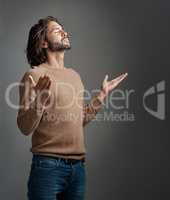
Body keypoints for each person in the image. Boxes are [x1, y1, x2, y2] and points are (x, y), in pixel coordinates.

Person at [17, 16, 128, 200]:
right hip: (47, 168)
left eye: (64, 29)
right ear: (44, 43)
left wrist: (102, 95)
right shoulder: (34, 75)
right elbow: (24, 127)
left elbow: (79, 120)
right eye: (56, 30)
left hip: (78, 170)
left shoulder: (74, 76)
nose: (64, 32)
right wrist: (39, 101)